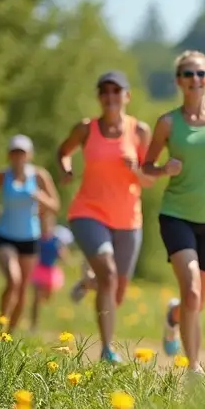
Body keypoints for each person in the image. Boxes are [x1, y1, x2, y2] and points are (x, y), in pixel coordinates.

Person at [142, 50, 205, 376]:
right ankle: (194, 369)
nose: (195, 79)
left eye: (201, 73)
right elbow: (146, 166)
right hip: (177, 214)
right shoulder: (167, 123)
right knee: (192, 289)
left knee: (195, 303)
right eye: (188, 74)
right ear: (178, 81)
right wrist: (162, 170)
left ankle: (174, 317)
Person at [57, 70, 154, 362]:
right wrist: (65, 168)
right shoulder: (86, 129)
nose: (110, 97)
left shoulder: (139, 131)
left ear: (127, 96)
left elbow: (149, 179)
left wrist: (136, 170)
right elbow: (64, 151)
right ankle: (107, 350)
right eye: (104, 91)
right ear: (99, 97)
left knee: (117, 291)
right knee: (109, 275)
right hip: (88, 212)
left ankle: (88, 283)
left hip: (127, 218)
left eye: (116, 91)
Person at [0, 134, 61, 332]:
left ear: (29, 155)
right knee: (13, 280)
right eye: (15, 152)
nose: (18, 156)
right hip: (4, 236)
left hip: (29, 238)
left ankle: (9, 335)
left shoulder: (39, 176)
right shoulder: (2, 176)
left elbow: (55, 205)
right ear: (9, 155)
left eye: (22, 152)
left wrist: (41, 198)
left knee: (23, 287)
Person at [30, 215, 74, 331]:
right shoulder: (38, 239)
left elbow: (62, 253)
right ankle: (34, 322)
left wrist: (66, 259)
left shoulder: (56, 241)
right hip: (39, 269)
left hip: (50, 271)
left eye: (48, 225)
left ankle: (41, 303)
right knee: (37, 297)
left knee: (47, 296)